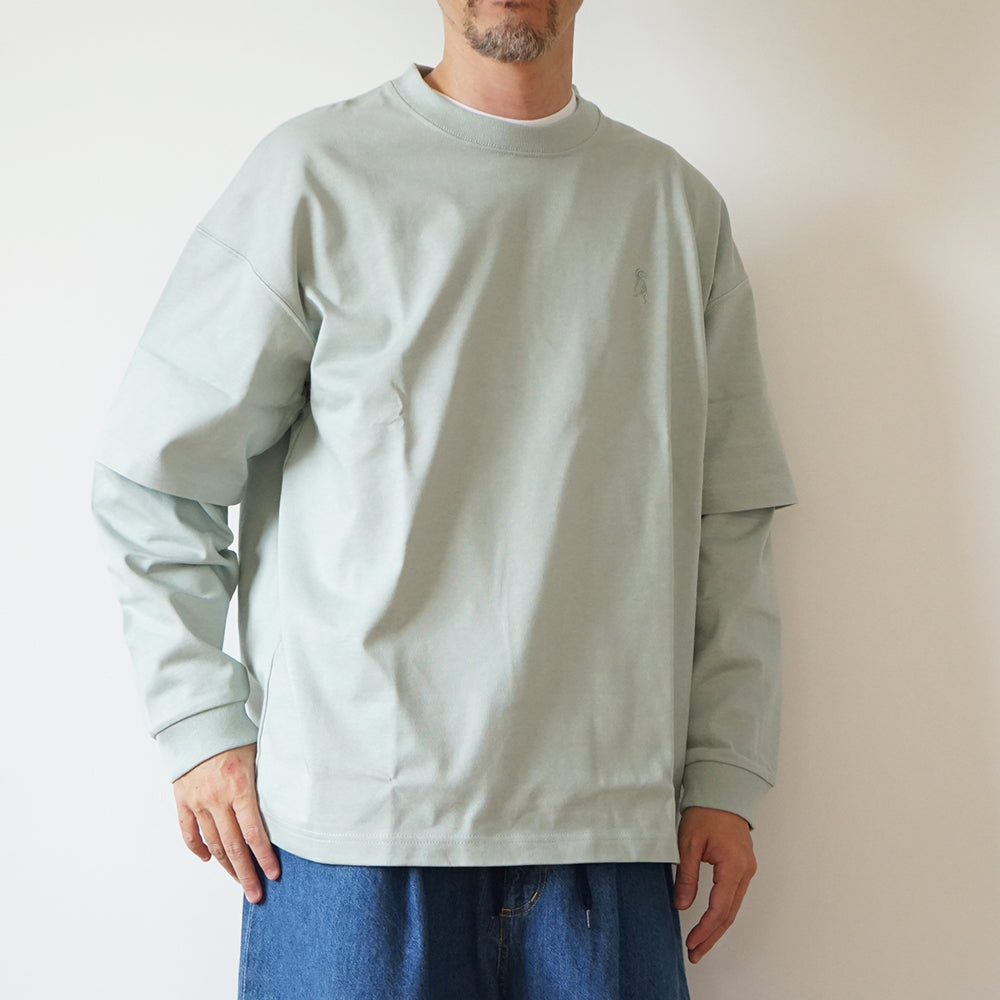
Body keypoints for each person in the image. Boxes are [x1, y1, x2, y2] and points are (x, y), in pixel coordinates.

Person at [90, 1, 797, 997]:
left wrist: (724, 769)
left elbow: (730, 521)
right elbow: (154, 473)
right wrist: (200, 724)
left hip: (607, 834)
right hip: (349, 842)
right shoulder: (315, 176)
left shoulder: (677, 209)